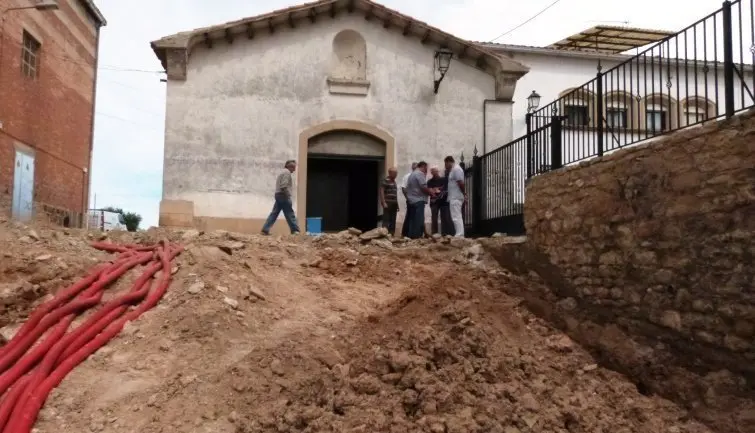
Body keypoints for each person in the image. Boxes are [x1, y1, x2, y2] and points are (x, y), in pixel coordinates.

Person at [261, 160, 300, 235]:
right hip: (283, 195)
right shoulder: (287, 173)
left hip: (278, 195)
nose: (295, 169)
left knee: (274, 213)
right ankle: (295, 230)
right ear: (290, 167)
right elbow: (283, 186)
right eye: (294, 167)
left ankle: (265, 230)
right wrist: (287, 194)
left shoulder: (282, 172)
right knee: (289, 213)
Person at [405, 161, 435, 239]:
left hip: (411, 199)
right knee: (419, 219)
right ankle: (417, 236)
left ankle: (411, 236)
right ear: (423, 166)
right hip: (418, 200)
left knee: (412, 219)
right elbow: (423, 187)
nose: (426, 170)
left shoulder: (412, 174)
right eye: (426, 168)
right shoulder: (419, 174)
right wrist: (431, 192)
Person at [427, 166, 453, 236]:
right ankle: (434, 233)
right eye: (432, 172)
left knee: (444, 217)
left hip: (443, 201)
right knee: (434, 217)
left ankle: (445, 233)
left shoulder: (443, 179)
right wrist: (436, 190)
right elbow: (429, 190)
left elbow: (446, 189)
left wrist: (436, 189)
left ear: (437, 171)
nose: (433, 173)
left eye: (435, 171)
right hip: (434, 201)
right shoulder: (429, 181)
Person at [444, 155, 466, 237]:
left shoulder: (456, 169)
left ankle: (460, 234)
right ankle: (459, 233)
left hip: (456, 196)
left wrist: (464, 193)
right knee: (455, 216)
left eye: (445, 164)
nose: (445, 166)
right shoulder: (453, 170)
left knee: (456, 216)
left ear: (449, 162)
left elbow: (461, 183)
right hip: (454, 196)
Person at [380, 167, 399, 236]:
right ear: (390, 173)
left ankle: (391, 234)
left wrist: (397, 205)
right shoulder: (386, 180)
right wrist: (383, 202)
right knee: (386, 219)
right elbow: (381, 191)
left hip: (394, 203)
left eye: (396, 173)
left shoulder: (394, 182)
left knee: (393, 220)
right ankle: (383, 234)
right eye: (395, 173)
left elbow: (395, 194)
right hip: (388, 203)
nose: (396, 175)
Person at [400, 162, 417, 237]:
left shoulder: (418, 176)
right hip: (412, 199)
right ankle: (408, 234)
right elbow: (403, 188)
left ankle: (408, 233)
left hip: (415, 199)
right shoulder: (407, 176)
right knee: (410, 216)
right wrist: (408, 198)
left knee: (412, 216)